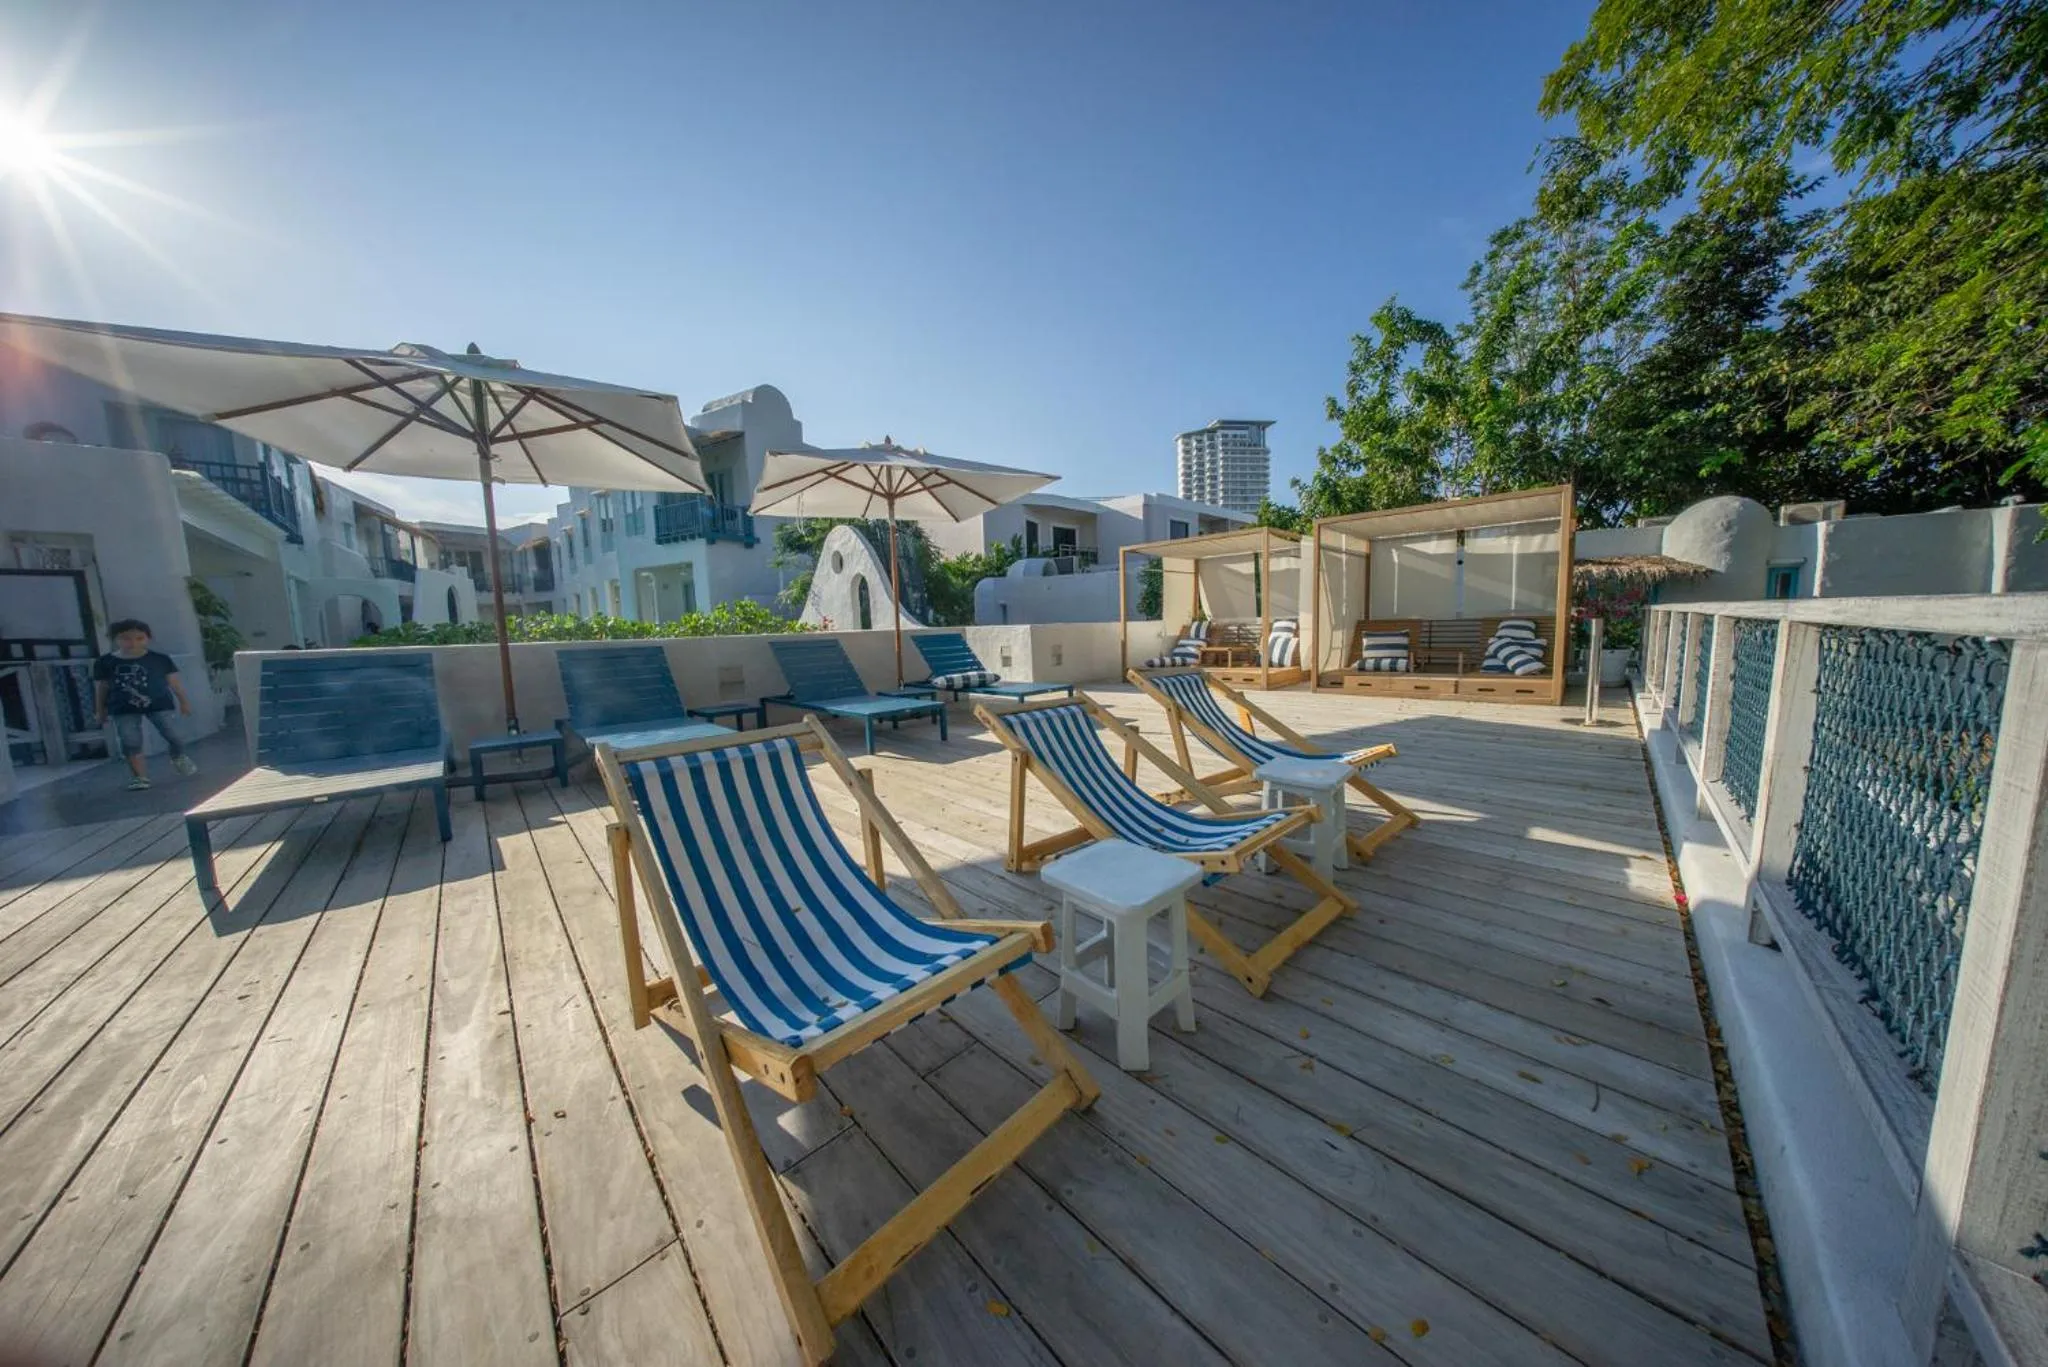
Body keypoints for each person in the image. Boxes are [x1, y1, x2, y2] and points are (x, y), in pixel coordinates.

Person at [92, 618, 198, 791]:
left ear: (147, 638)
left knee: (174, 735)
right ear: (116, 640)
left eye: (139, 638)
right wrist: (100, 709)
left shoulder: (160, 659)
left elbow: (174, 683)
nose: (133, 643)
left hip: (159, 703)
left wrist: (183, 702)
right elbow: (101, 687)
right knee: (130, 740)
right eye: (126, 638)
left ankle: (178, 756)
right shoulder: (105, 662)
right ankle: (139, 777)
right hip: (122, 707)